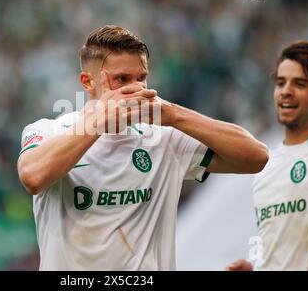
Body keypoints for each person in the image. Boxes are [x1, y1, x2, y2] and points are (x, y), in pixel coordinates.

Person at [17, 25, 268, 270]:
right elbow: (33, 177)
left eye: (142, 78)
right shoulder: (49, 131)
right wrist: (98, 123)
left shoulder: (165, 138)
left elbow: (255, 157)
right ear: (88, 82)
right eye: (121, 79)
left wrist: (174, 115)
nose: (136, 88)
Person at [225, 40, 308, 271]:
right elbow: (279, 245)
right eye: (280, 83)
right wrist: (256, 267)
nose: (286, 91)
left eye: (300, 84)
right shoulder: (267, 168)